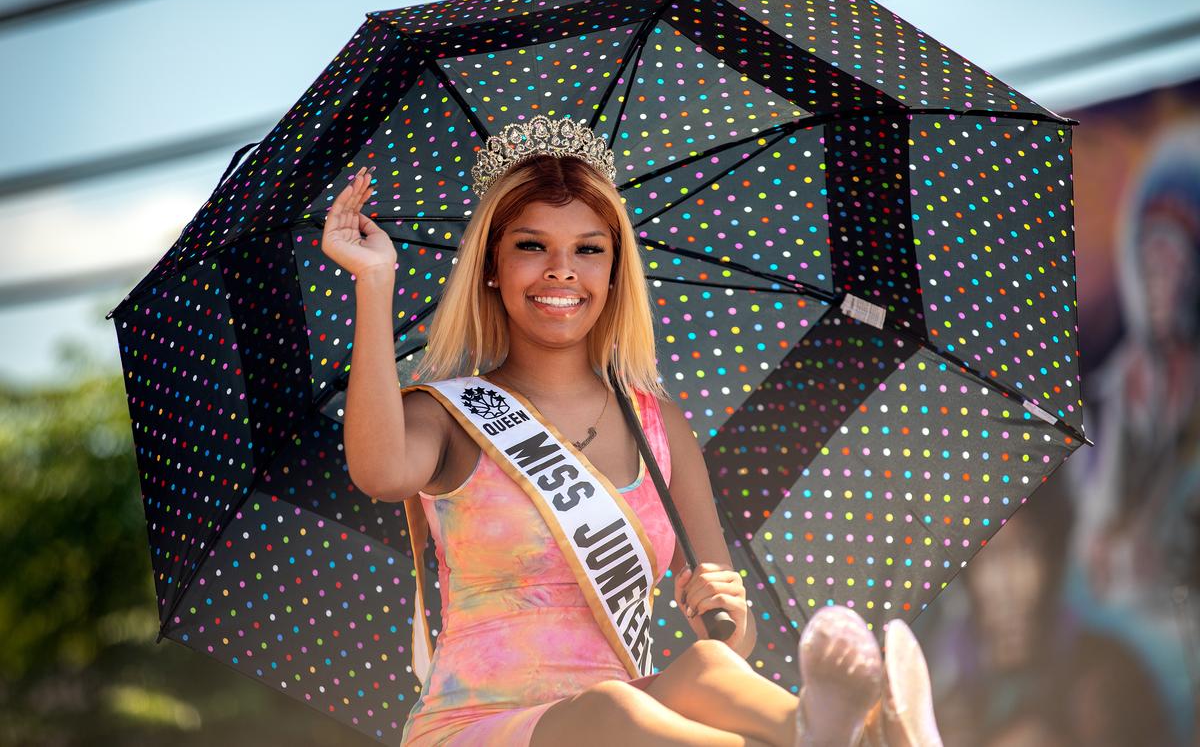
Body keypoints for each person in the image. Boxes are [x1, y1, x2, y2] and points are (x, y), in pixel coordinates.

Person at [320, 115, 943, 746]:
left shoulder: (657, 425)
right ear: (491, 266)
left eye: (589, 249)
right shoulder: (448, 414)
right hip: (475, 728)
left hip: (631, 725)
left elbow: (732, 640)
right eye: (532, 246)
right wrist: (374, 284)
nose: (563, 271)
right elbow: (378, 472)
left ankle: (846, 731)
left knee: (705, 666)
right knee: (612, 710)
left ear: (615, 271)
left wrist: (727, 608)